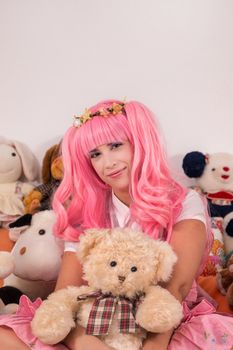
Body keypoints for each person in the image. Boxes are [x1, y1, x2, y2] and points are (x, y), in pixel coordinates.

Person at [0, 99, 232, 350]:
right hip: (95, 318)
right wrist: (86, 343)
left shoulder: (182, 201)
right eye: (95, 154)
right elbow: (67, 294)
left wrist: (152, 347)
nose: (107, 162)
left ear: (139, 143)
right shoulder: (84, 209)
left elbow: (176, 287)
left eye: (115, 145)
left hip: (164, 321)